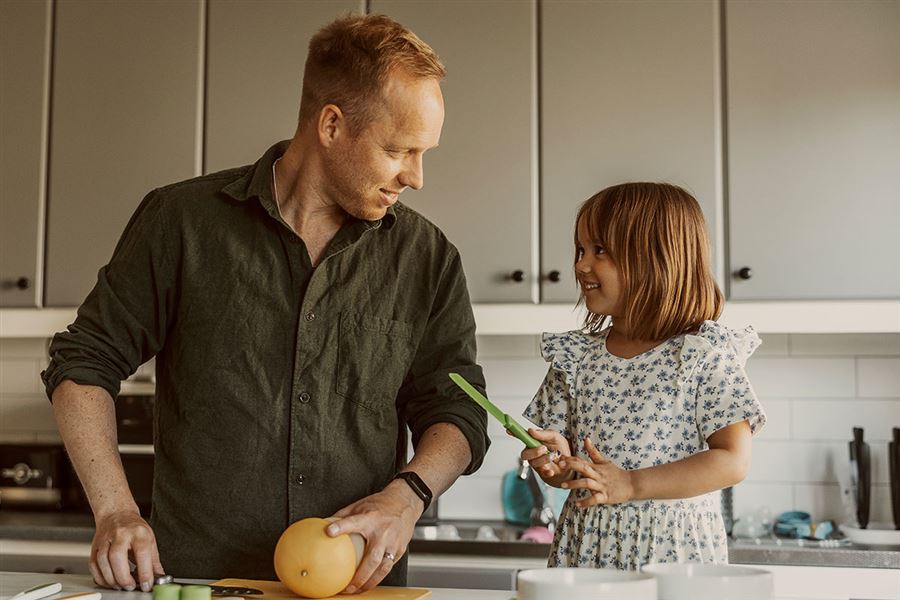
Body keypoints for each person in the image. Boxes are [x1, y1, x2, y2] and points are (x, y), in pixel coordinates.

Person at [41, 14, 489, 595]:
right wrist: (116, 510)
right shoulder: (183, 223)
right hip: (197, 583)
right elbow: (83, 362)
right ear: (331, 124)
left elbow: (458, 410)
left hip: (356, 587)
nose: (416, 176)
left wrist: (408, 496)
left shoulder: (426, 257)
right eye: (398, 150)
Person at [519, 182, 766, 570]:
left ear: (657, 259)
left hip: (673, 557)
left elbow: (733, 460)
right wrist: (558, 466)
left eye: (600, 250)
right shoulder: (575, 358)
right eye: (581, 250)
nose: (581, 264)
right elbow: (572, 470)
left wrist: (631, 485)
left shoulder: (702, 354)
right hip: (587, 550)